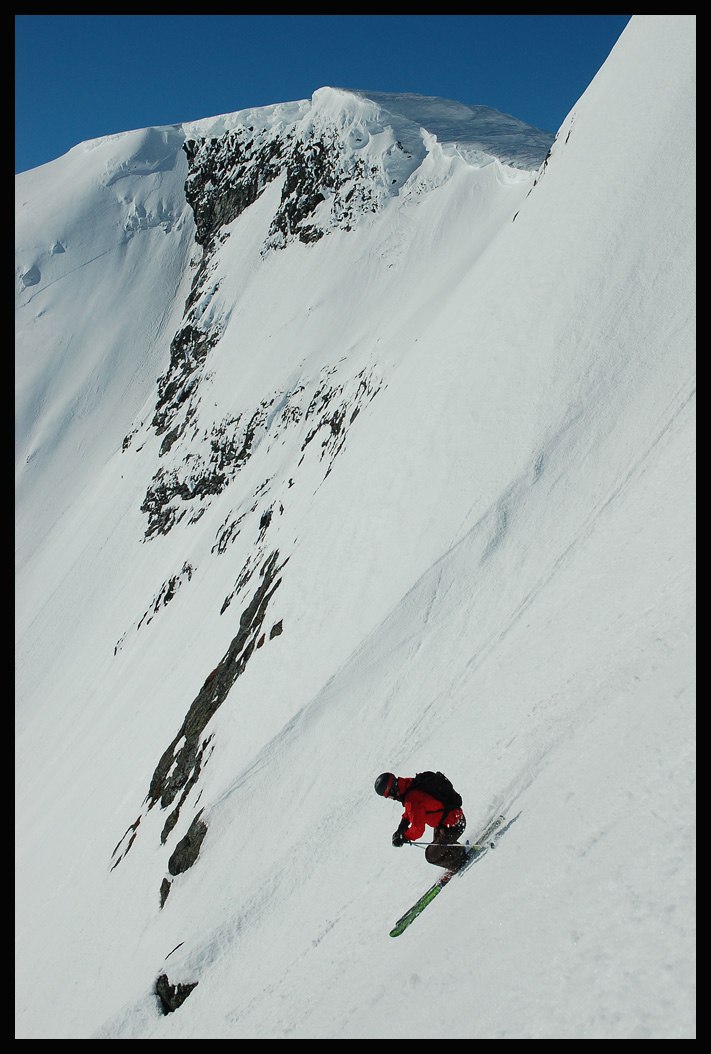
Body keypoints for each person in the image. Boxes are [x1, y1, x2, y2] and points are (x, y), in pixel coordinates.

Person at [374, 772, 468, 871]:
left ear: (392, 791)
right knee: (438, 847)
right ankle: (459, 853)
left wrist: (404, 837)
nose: (391, 799)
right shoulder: (409, 784)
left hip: (453, 825)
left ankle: (459, 862)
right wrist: (402, 825)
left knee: (431, 855)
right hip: (452, 818)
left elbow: (418, 828)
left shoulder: (411, 799)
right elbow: (411, 810)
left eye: (388, 796)